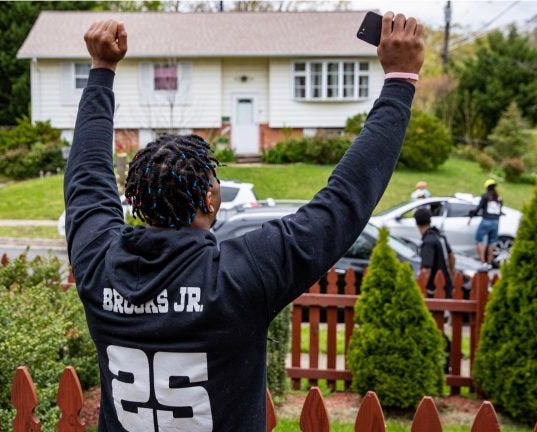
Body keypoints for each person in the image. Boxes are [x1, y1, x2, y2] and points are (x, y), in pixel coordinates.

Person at [64, 14, 424, 431]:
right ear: (210, 199)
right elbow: (343, 203)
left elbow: (86, 178)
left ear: (136, 201)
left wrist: (100, 71)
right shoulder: (239, 275)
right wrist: (399, 80)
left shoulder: (98, 265)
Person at [415, 207, 454, 298]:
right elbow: (451, 257)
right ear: (430, 220)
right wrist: (451, 275)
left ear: (416, 223)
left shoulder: (427, 243)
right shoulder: (440, 236)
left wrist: (419, 289)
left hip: (433, 289)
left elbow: (426, 270)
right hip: (446, 285)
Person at [469, 178, 503, 269]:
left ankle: (482, 261)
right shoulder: (498, 198)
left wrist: (472, 215)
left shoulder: (485, 196)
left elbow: (479, 207)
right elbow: (500, 210)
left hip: (486, 220)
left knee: (479, 241)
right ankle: (489, 262)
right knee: (491, 243)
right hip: (496, 222)